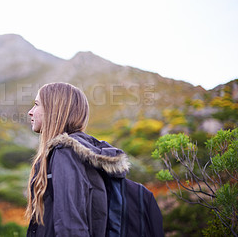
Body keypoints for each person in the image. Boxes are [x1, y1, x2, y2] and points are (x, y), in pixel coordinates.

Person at [25, 82, 163, 236]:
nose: (30, 112)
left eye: (37, 104)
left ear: (54, 110)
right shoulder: (81, 153)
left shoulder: (65, 153)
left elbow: (71, 227)